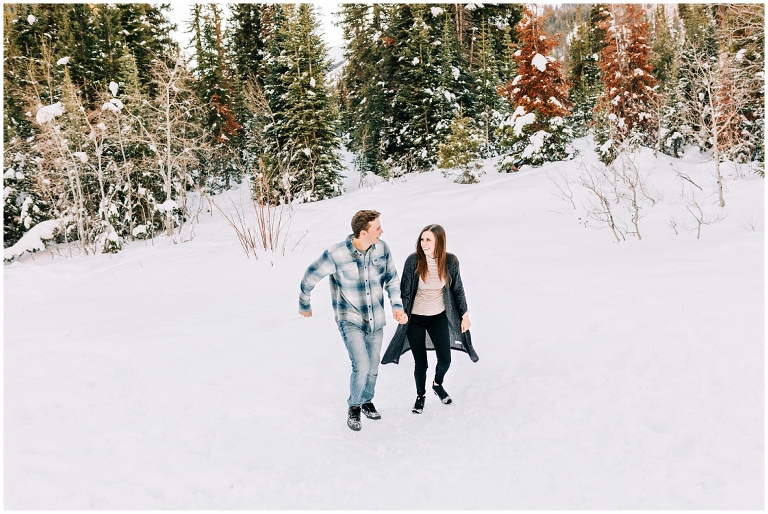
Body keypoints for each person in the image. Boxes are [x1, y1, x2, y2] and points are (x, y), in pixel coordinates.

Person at [299, 210, 407, 431]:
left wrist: (396, 306)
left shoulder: (382, 248)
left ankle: (367, 400)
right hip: (350, 318)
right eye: (377, 228)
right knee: (362, 365)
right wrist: (305, 304)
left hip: (375, 318)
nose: (382, 231)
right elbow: (310, 276)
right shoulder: (336, 254)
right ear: (363, 232)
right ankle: (354, 407)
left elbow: (392, 280)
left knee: (373, 367)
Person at [381, 224, 478, 414]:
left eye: (428, 240)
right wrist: (401, 311)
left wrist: (465, 315)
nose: (423, 243)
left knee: (445, 359)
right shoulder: (414, 261)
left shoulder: (450, 262)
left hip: (438, 317)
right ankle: (420, 395)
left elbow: (457, 289)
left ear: (439, 242)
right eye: (422, 239)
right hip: (415, 319)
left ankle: (437, 384)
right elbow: (406, 292)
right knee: (421, 364)